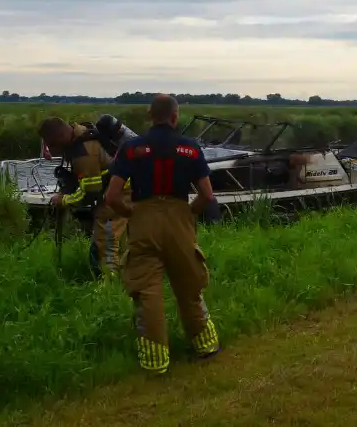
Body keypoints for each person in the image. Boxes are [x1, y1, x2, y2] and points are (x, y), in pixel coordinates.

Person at [104, 94, 220, 375]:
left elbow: (112, 197)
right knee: (189, 286)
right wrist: (188, 213)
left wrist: (134, 213)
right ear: (175, 116)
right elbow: (207, 195)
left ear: (149, 115)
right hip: (180, 219)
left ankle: (155, 362)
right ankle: (205, 346)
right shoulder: (190, 149)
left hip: (144, 221)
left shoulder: (131, 149)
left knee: (147, 290)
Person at [37, 115, 131, 279]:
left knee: (106, 242)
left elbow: (90, 193)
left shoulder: (84, 152)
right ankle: (123, 279)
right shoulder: (78, 135)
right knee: (116, 241)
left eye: (52, 145)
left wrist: (64, 200)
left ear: (62, 136)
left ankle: (108, 286)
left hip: (117, 195)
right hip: (118, 191)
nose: (51, 150)